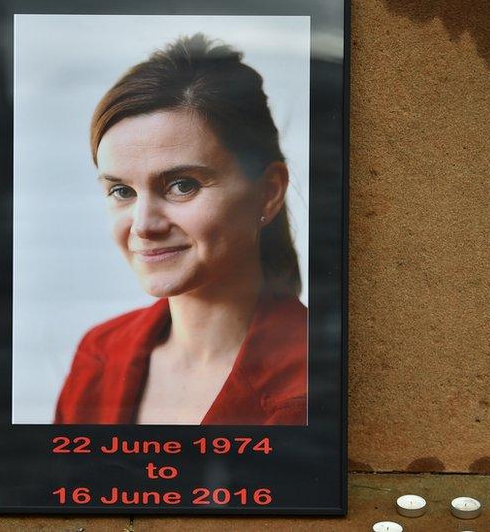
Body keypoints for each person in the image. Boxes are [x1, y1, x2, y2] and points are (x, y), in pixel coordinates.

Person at [54, 33, 307, 425]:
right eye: (122, 190)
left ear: (268, 193)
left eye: (182, 185)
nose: (143, 225)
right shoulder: (99, 355)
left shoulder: (314, 385)